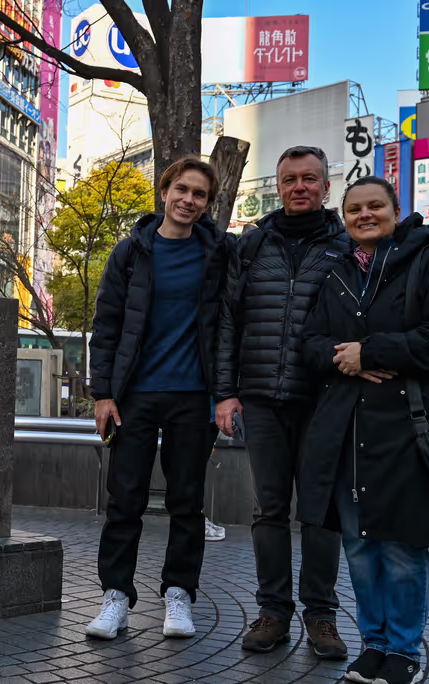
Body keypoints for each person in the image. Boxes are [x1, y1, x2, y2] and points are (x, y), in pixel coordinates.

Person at [300, 176, 429, 684]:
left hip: (406, 431)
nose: (365, 215)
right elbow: (308, 343)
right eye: (354, 209)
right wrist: (345, 358)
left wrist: (370, 351)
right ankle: (372, 645)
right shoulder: (335, 272)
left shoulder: (427, 262)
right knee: (357, 543)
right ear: (344, 216)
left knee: (400, 545)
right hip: (346, 431)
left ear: (397, 210)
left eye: (376, 206)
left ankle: (404, 651)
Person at [86, 156, 234, 640]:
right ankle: (115, 598)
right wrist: (103, 393)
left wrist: (226, 393)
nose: (189, 200)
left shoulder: (219, 253)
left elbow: (232, 322)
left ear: (207, 204)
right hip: (135, 397)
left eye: (200, 195)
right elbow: (106, 326)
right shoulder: (131, 252)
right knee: (124, 499)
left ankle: (179, 594)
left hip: (194, 397)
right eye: (182, 190)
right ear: (164, 190)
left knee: (186, 502)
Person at [214, 145, 350, 658]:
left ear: (325, 186)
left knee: (320, 511)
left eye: (309, 179)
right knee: (269, 509)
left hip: (323, 399)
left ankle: (321, 616)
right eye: (290, 178)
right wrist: (225, 393)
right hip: (261, 398)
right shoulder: (252, 245)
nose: (300, 187)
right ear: (278, 184)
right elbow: (229, 321)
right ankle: (272, 611)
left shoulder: (345, 245)